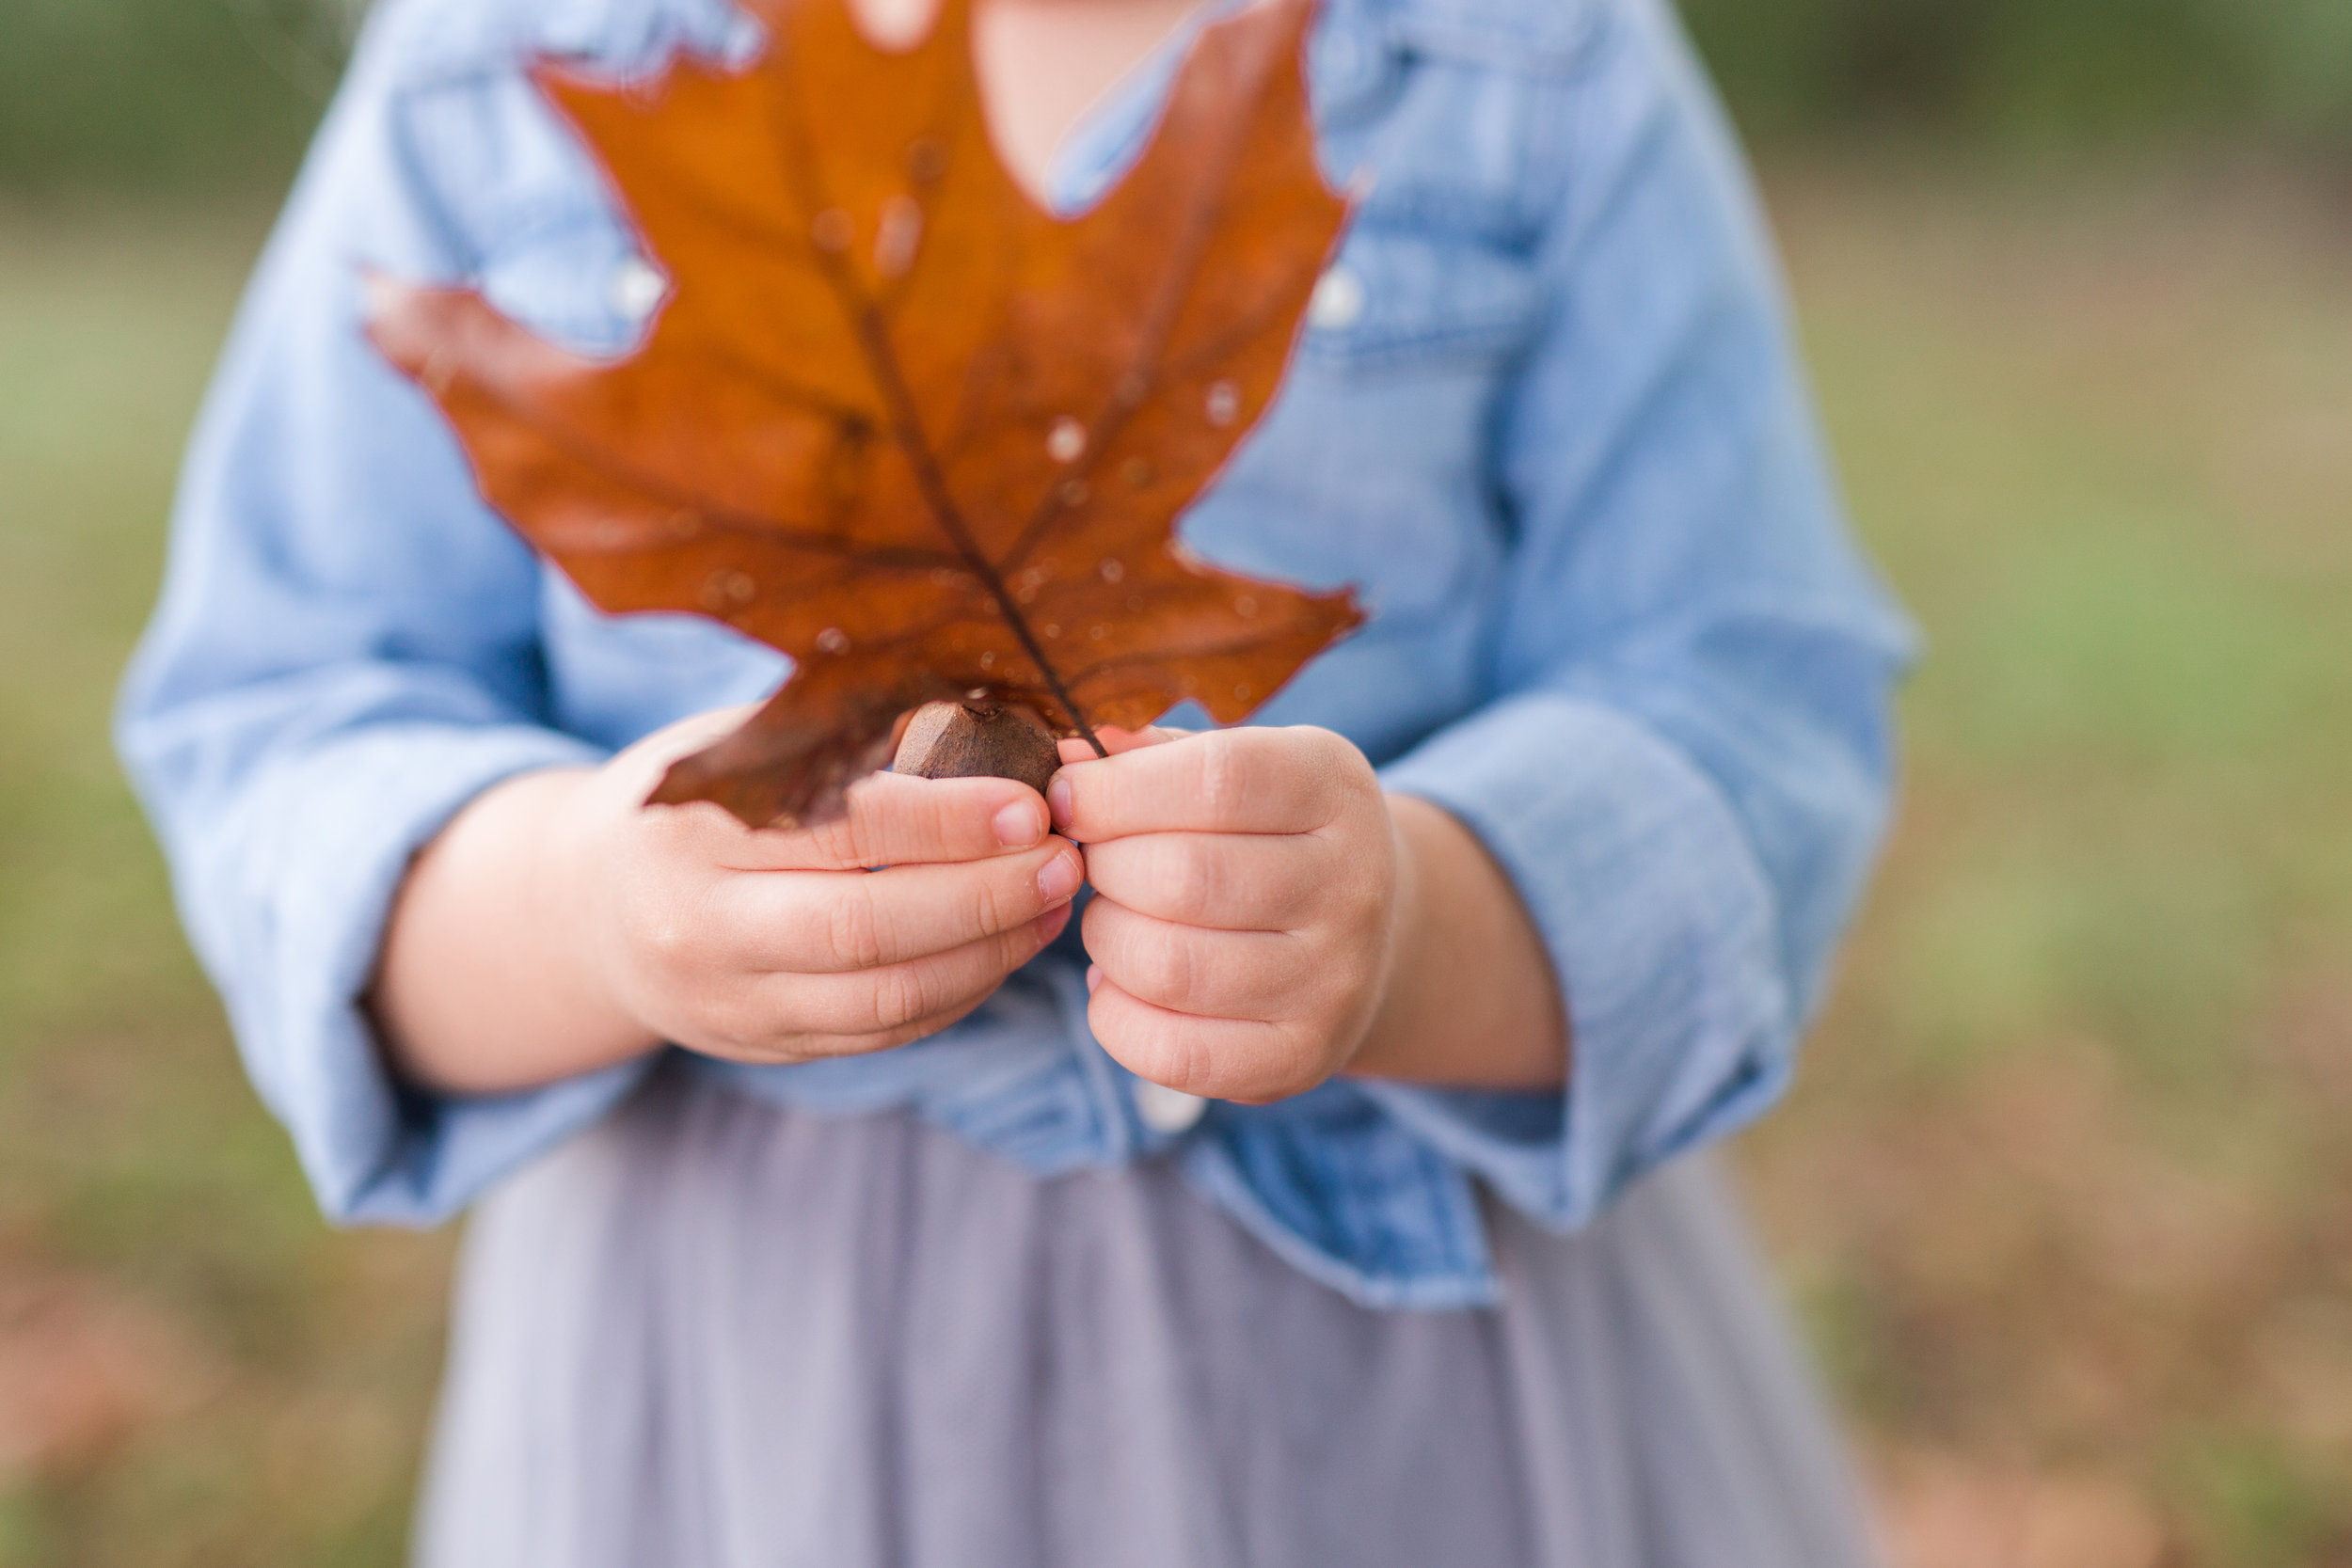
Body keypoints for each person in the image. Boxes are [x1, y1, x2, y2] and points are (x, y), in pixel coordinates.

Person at [119, 0, 1915, 1557]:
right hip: (739, 1401)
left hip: (1400, 1400)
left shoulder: (1527, 61)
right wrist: (589, 908)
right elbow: (287, 716)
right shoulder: (494, 74)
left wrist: (1422, 918)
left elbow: (1745, 697)